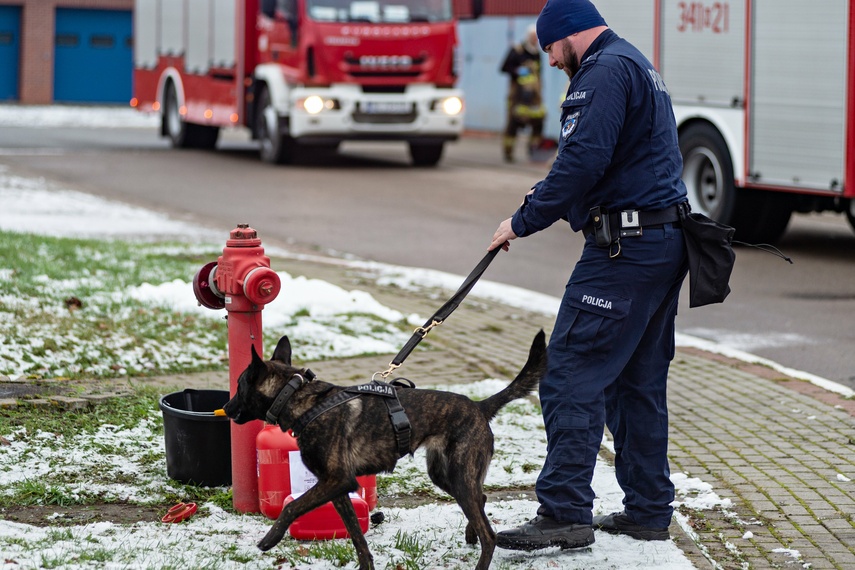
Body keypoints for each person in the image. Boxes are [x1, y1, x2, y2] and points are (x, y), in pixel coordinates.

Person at [488, 0, 689, 552]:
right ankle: (648, 510)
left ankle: (564, 512)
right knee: (635, 383)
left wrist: (522, 221)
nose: (551, 61)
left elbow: (582, 160)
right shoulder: (633, 62)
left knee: (569, 375)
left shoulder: (600, 71)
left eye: (551, 48)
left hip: (623, 253)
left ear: (571, 35)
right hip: (661, 242)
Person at [500, 25, 546, 163]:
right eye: (533, 37)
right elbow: (504, 68)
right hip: (517, 95)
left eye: (536, 38)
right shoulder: (517, 50)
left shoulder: (537, 53)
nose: (535, 40)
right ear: (528, 36)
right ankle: (508, 152)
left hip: (534, 96)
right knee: (513, 123)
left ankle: (533, 150)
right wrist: (517, 71)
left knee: (538, 121)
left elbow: (539, 74)